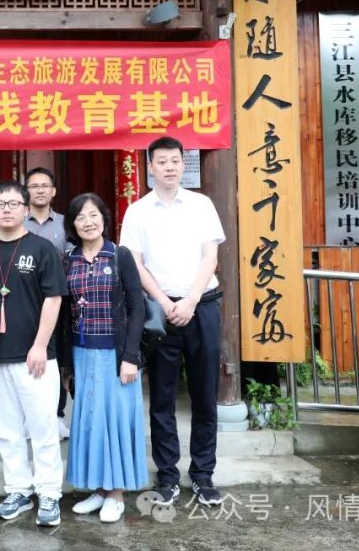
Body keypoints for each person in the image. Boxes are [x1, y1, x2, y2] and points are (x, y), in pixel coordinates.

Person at [119, 136, 226, 508]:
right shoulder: (137, 212)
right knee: (162, 397)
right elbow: (135, 264)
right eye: (161, 161)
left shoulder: (201, 205)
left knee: (204, 395)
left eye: (175, 160)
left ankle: (203, 475)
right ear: (150, 167)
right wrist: (166, 303)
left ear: (184, 164)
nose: (169, 167)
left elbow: (210, 257)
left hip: (202, 306)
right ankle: (167, 476)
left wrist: (191, 300)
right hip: (160, 312)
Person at [0, 181, 68, 527]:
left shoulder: (42, 249)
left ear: (26, 209)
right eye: (0, 204)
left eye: (13, 203)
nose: (6, 209)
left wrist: (40, 345)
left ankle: (49, 493)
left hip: (35, 357)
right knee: (7, 429)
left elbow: (54, 298)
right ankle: (18, 490)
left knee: (42, 428)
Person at [62, 193, 148, 523]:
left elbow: (137, 308)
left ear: (104, 219)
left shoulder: (119, 255)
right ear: (73, 224)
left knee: (116, 421)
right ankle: (99, 490)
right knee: (90, 421)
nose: (88, 222)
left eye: (94, 215)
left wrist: (131, 356)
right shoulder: (67, 260)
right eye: (80, 217)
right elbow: (64, 313)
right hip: (82, 353)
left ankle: (116, 494)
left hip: (116, 354)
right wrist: (66, 365)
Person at [23, 166, 73, 440]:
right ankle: (28, 418)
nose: (40, 190)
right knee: (25, 355)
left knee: (57, 358)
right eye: (34, 186)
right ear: (26, 191)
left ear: (53, 191)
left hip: (59, 300)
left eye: (45, 185)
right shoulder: (18, 221)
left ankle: (57, 415)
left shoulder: (66, 224)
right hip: (25, 300)